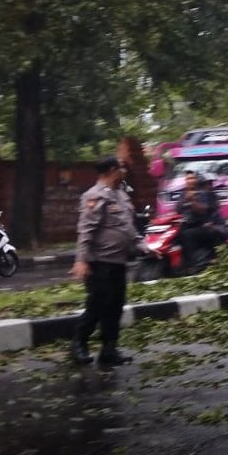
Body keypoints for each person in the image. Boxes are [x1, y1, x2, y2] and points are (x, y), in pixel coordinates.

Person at [69, 156, 144, 366]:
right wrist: (81, 260)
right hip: (99, 262)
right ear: (111, 170)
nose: (124, 171)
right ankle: (79, 344)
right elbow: (86, 231)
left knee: (115, 305)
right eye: (121, 168)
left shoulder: (121, 195)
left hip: (118, 262)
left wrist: (143, 246)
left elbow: (127, 227)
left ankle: (109, 350)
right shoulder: (94, 196)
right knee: (97, 305)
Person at [176, 171, 224, 274]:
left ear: (197, 180)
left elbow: (203, 211)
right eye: (188, 179)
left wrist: (192, 200)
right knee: (176, 234)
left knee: (187, 235)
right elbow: (178, 210)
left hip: (205, 225)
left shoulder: (203, 193)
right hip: (187, 224)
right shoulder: (183, 194)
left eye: (193, 178)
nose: (190, 181)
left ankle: (195, 263)